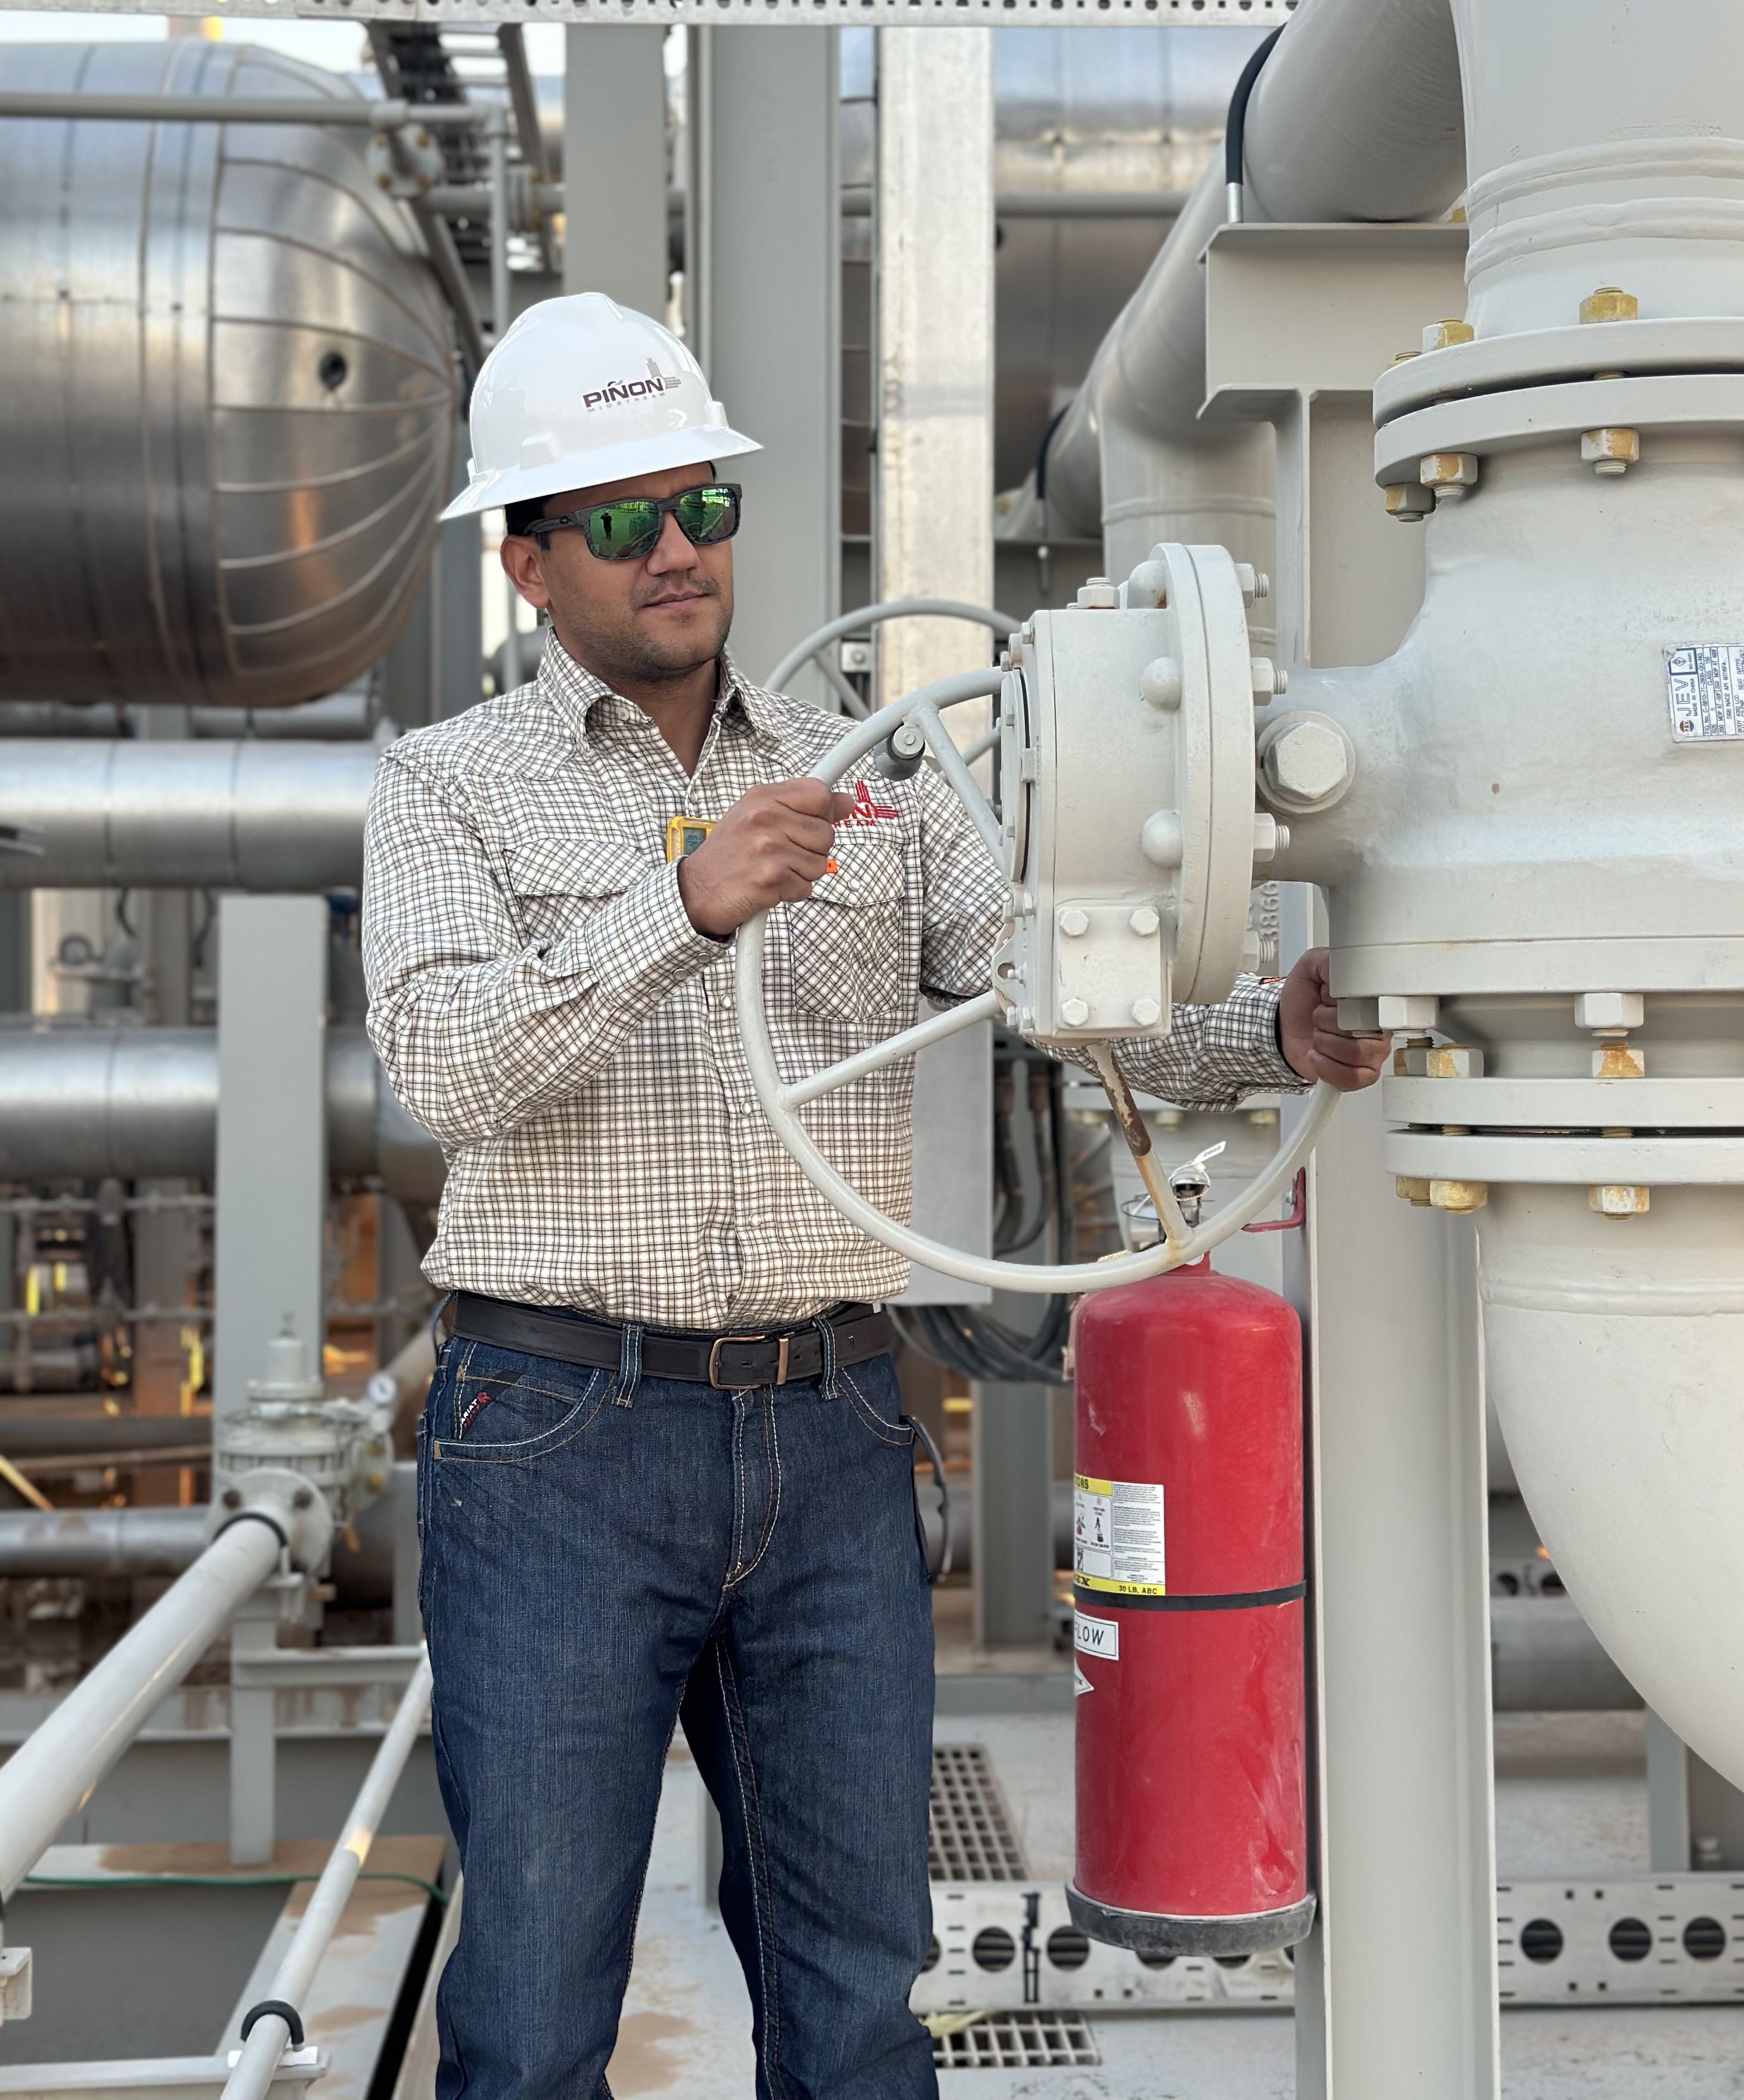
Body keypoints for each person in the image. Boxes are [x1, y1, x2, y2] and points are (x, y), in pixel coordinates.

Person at [362, 290, 1390, 2100]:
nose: (676, 551)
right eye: (618, 521)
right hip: (555, 1441)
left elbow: (1061, 998)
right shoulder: (445, 790)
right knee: (529, 2020)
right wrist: (681, 914)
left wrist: (1270, 1034)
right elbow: (450, 1069)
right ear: (527, 563)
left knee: (862, 2009)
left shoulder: (874, 768)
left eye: (702, 507)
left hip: (835, 1423)